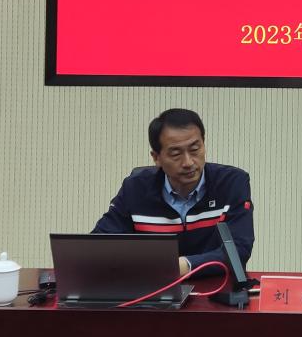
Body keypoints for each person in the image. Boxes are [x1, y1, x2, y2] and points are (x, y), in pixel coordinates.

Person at [93, 108, 254, 277]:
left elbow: (239, 251)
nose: (188, 162)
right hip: (153, 288)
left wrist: (182, 266)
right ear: (156, 158)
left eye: (195, 149)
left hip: (216, 288)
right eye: (176, 154)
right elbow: (99, 247)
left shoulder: (231, 183)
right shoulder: (135, 188)